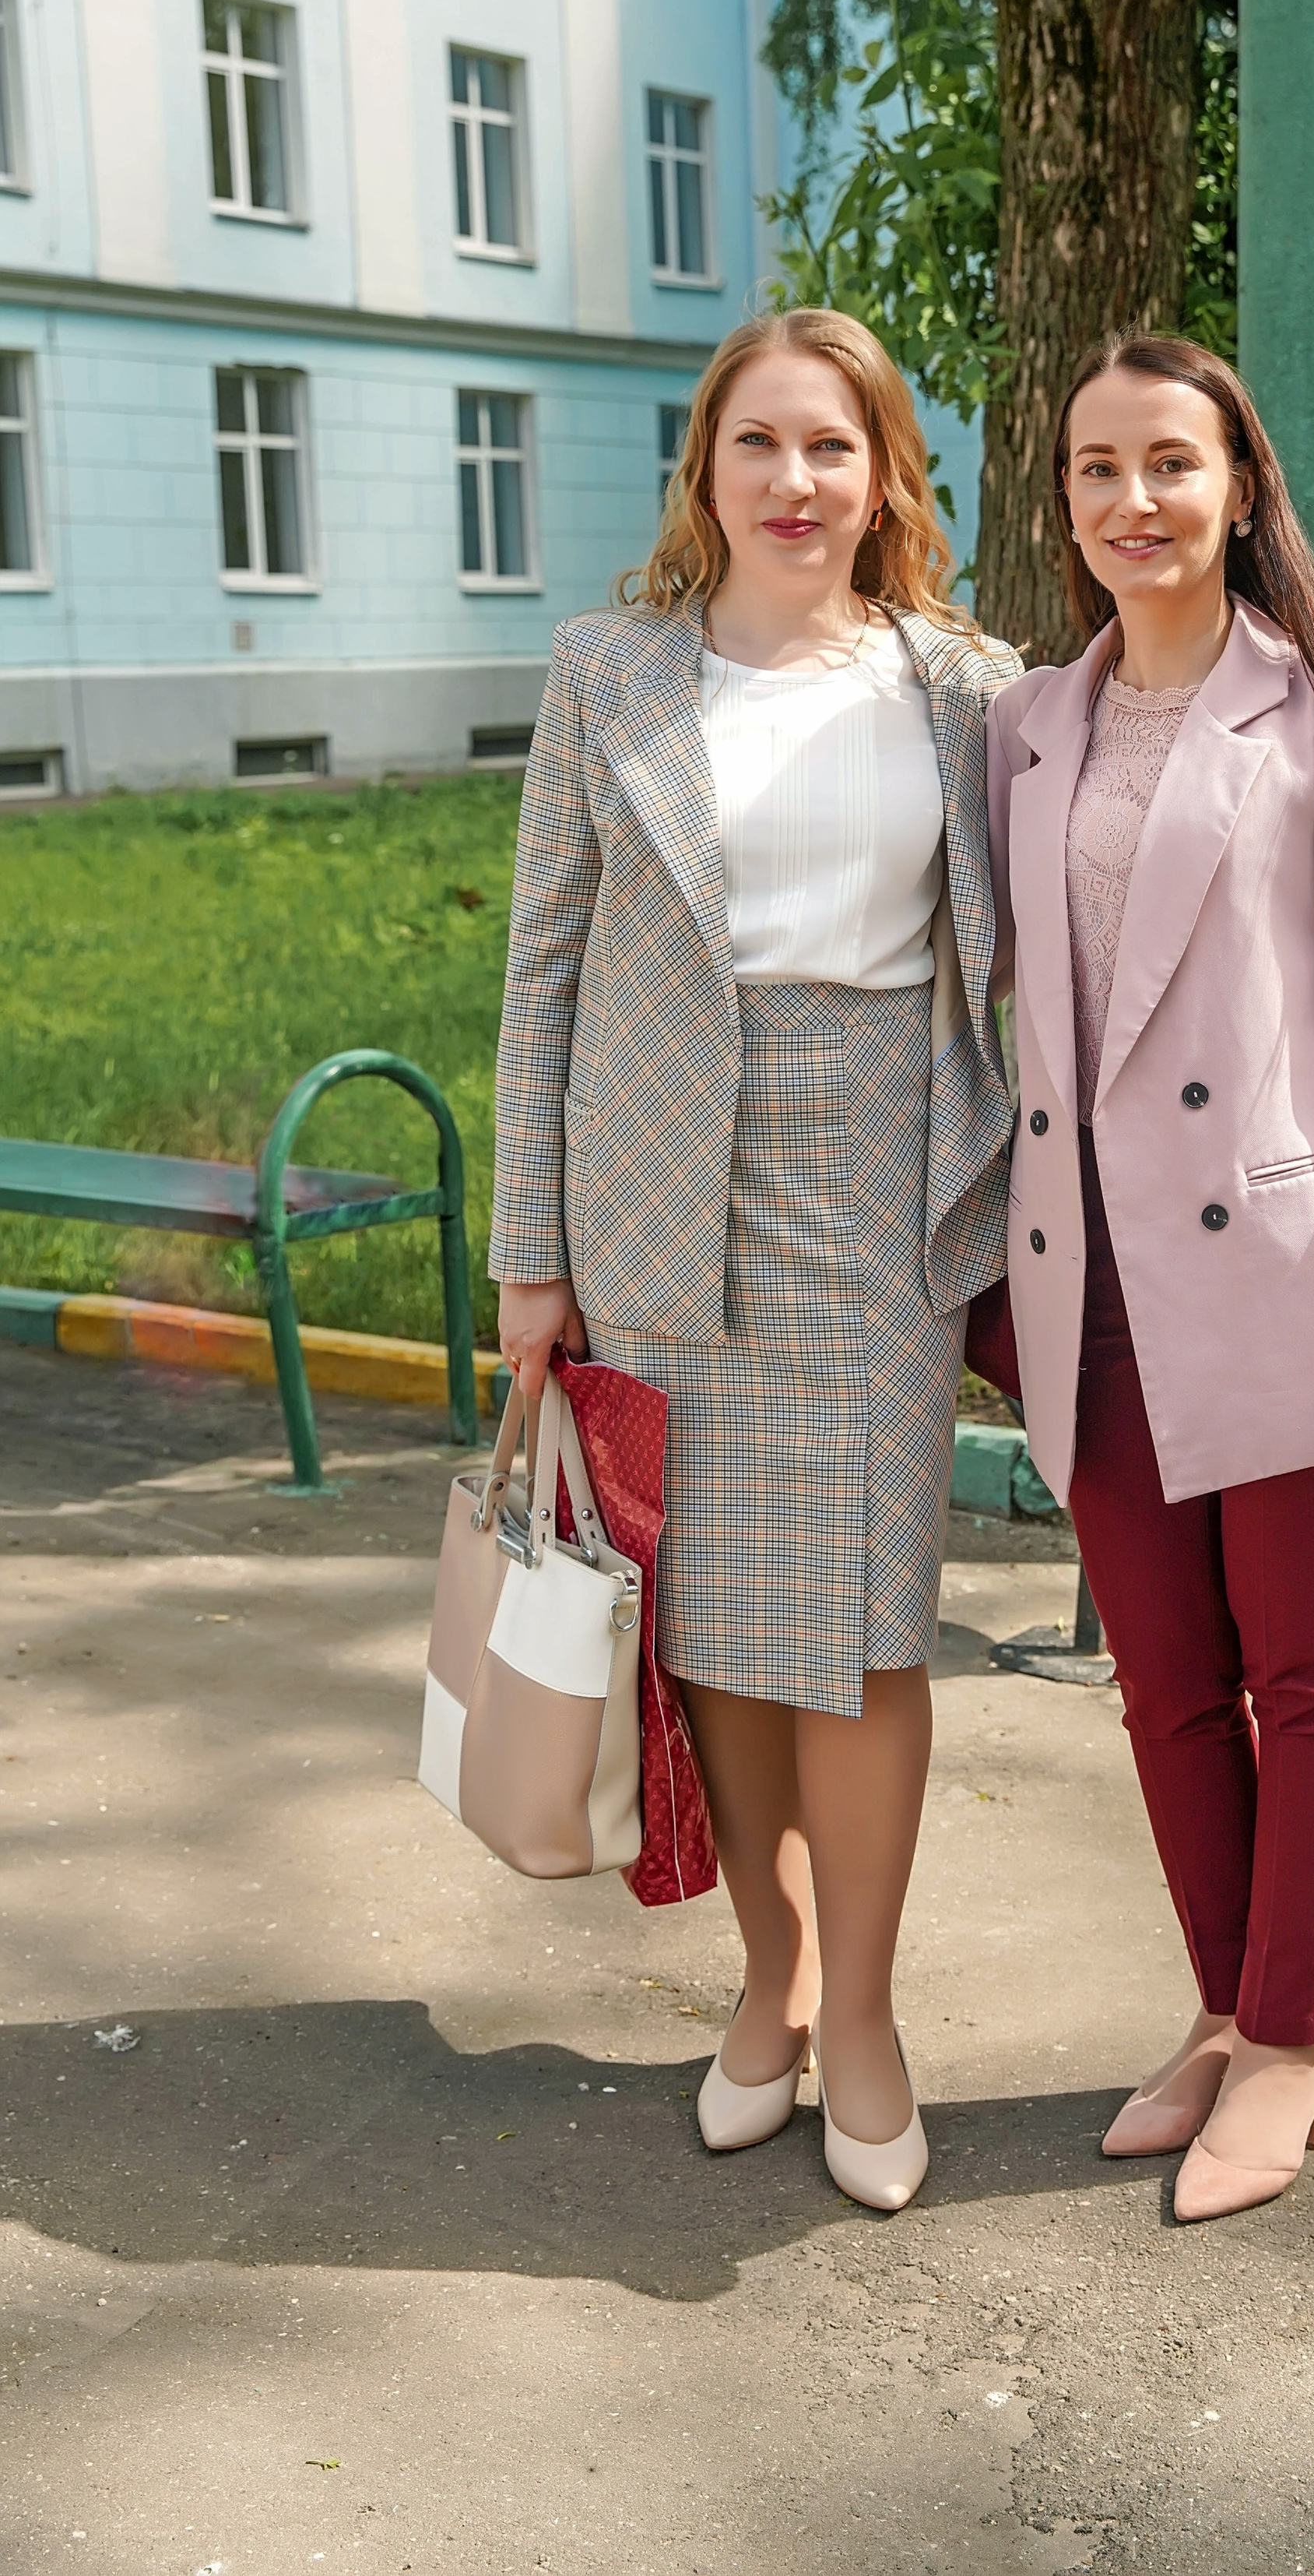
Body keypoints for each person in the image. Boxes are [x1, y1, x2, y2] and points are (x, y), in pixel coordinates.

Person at [490, 308, 1018, 2214]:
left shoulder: (969, 688)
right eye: (759, 446)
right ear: (703, 474)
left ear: (884, 477)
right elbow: (540, 967)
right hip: (649, 1183)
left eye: (833, 447)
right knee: (713, 1620)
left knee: (866, 1624)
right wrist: (526, 1257)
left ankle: (863, 2016)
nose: (795, 482)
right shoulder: (604, 670)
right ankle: (767, 1978)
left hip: (878, 1184)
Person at [986, 331, 1314, 2224]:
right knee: (1165, 1685)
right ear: (1064, 502)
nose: (1133, 502)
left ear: (1241, 485)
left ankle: (1291, 2039)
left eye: (1169, 464)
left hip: (1286, 1255)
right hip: (1083, 1273)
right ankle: (1219, 2000)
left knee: (1304, 1668)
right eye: (1095, 469)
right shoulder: (1028, 723)